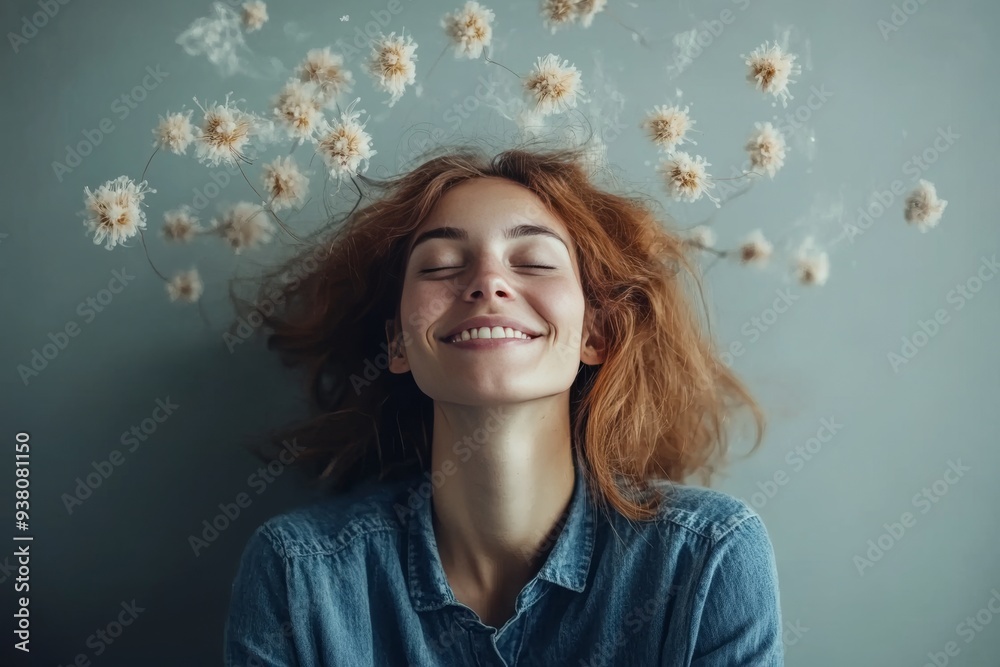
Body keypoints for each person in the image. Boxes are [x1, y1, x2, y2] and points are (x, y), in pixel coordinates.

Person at [223, 143, 783, 666]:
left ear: (594, 333)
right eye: (441, 264)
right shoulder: (296, 573)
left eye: (534, 261)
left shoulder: (709, 560)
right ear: (396, 344)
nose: (488, 283)